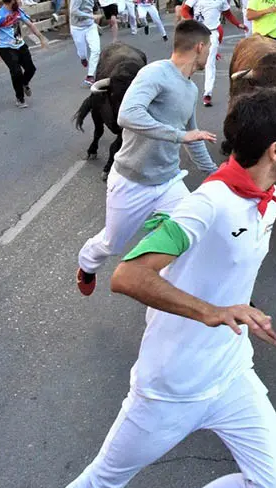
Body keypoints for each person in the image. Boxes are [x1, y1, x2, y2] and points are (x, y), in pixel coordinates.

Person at [37, 88, 276, 488]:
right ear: (275, 149)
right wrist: (211, 310)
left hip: (232, 375)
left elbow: (220, 270)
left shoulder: (269, 198)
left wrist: (242, 308)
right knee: (97, 485)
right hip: (169, 390)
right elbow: (128, 275)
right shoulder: (205, 204)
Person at [75, 20, 219, 296]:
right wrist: (179, 137)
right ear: (199, 47)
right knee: (111, 244)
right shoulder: (155, 73)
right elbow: (127, 115)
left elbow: (192, 136)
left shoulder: (190, 90)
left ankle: (187, 290)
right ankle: (86, 265)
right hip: (131, 180)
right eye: (209, 47)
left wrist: (217, 174)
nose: (210, 52)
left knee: (194, 231)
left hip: (168, 181)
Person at [181, 0, 246, 107]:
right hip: (196, 32)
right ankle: (183, 85)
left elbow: (227, 13)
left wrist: (238, 24)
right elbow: (184, 10)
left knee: (209, 63)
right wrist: (192, 23)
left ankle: (208, 94)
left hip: (212, 33)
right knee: (191, 61)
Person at [0, 0, 48, 108]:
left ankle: (24, 83)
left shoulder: (17, 11)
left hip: (20, 44)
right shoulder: (0, 15)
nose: (19, 1)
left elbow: (30, 24)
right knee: (16, 72)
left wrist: (41, 37)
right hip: (6, 48)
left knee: (31, 69)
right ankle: (20, 98)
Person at [69, 0, 101, 87]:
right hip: (77, 27)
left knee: (96, 50)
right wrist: (91, 16)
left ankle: (90, 76)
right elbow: (73, 11)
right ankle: (83, 58)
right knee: (82, 53)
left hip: (90, 26)